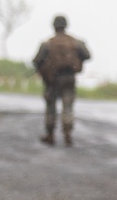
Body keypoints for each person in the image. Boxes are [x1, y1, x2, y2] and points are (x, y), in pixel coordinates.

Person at [32, 15, 91, 147]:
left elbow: (36, 61)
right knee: (68, 107)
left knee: (50, 107)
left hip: (52, 79)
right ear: (66, 25)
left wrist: (44, 69)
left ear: (54, 26)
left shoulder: (47, 43)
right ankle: (68, 134)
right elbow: (87, 55)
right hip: (69, 78)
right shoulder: (76, 42)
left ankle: (50, 135)